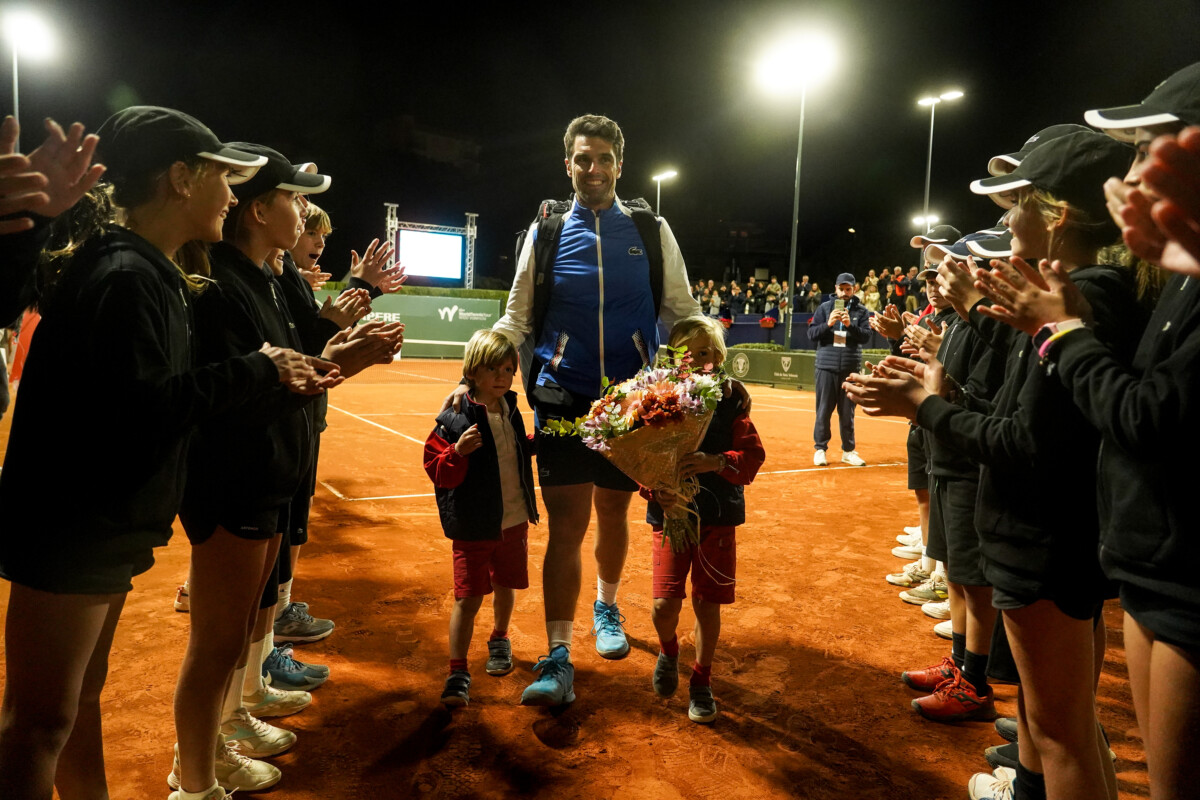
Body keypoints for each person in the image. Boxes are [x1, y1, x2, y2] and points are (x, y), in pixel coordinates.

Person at [0, 106, 336, 800]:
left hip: (99, 525)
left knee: (70, 708)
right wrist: (261, 367)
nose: (231, 197)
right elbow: (144, 410)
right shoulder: (128, 274)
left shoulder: (144, 267)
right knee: (37, 724)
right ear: (181, 180)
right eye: (222, 180)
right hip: (76, 526)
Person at [845, 131, 1139, 800]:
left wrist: (922, 405)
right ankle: (1029, 787)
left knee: (1063, 731)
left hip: (1042, 537)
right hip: (1043, 533)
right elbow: (1019, 415)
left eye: (1017, 205)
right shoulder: (1079, 291)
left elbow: (1023, 441)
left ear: (1058, 216)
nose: (1005, 223)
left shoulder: (1084, 297)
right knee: (1053, 721)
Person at [483, 114, 699, 707]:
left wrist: (699, 374)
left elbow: (681, 311)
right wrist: (478, 370)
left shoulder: (651, 229)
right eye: (583, 159)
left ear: (620, 165)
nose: (594, 169)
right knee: (564, 528)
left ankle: (606, 605)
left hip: (631, 401)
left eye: (604, 159)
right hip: (561, 395)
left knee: (612, 515)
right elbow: (517, 314)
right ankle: (558, 655)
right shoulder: (547, 229)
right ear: (568, 163)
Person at [641, 316, 765, 724]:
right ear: (675, 358)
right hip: (670, 515)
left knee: (706, 603)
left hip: (717, 516)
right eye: (691, 353)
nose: (700, 360)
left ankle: (701, 679)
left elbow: (751, 457)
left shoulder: (731, 399)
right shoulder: (657, 398)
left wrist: (715, 462)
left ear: (720, 356)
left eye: (708, 352)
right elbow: (639, 457)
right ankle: (669, 649)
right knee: (664, 605)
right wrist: (654, 489)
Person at [425, 330, 538, 708]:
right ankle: (457, 670)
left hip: (514, 520)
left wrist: (541, 443)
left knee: (506, 585)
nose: (503, 376)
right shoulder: (455, 416)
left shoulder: (511, 408)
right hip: (474, 526)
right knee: (468, 598)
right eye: (493, 368)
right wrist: (457, 451)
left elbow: (517, 452)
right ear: (473, 371)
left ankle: (500, 639)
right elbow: (438, 470)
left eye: (508, 368)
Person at [809, 272, 871, 466]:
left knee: (847, 413)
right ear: (835, 289)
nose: (844, 293)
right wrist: (828, 324)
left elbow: (866, 336)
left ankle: (848, 451)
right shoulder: (824, 308)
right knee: (823, 411)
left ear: (854, 289)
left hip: (850, 368)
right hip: (826, 366)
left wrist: (849, 325)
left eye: (848, 289)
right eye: (841, 289)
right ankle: (820, 449)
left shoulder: (861, 311)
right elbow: (811, 334)